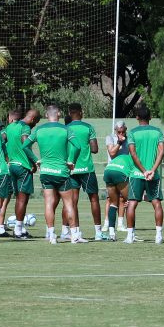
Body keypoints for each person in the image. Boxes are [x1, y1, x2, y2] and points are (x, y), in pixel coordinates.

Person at [21, 105, 80, 244]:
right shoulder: (66, 129)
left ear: (46, 115)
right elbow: (78, 146)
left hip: (46, 172)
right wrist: (72, 161)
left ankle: (52, 235)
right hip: (62, 171)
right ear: (59, 114)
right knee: (69, 204)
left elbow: (25, 146)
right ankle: (74, 236)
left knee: (49, 203)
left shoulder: (38, 129)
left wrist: (36, 160)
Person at [125, 107, 164, 244]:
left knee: (132, 203)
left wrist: (143, 171)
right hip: (153, 175)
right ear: (150, 117)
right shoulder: (158, 132)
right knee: (156, 203)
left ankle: (130, 236)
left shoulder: (132, 133)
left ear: (137, 117)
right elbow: (162, 152)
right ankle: (158, 236)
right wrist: (152, 170)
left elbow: (133, 153)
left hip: (137, 174)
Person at [65, 103, 102, 242]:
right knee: (94, 199)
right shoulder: (88, 127)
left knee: (73, 202)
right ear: (81, 112)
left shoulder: (66, 128)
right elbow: (95, 149)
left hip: (71, 169)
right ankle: (98, 233)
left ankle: (76, 232)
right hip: (87, 169)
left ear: (69, 113)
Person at [5, 109, 40, 239]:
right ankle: (18, 231)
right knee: (22, 199)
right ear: (32, 119)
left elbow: (2, 141)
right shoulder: (25, 127)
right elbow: (25, 143)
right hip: (23, 167)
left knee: (19, 198)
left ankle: (21, 228)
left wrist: (7, 157)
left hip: (12, 166)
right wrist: (35, 162)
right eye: (36, 122)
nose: (35, 125)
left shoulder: (10, 127)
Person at [102, 150, 134, 241]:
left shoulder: (122, 156)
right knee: (130, 202)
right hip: (119, 172)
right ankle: (131, 234)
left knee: (113, 203)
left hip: (108, 171)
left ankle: (112, 234)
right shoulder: (134, 159)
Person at [105, 120, 129, 232]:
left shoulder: (129, 139)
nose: (121, 134)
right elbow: (112, 153)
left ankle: (120, 223)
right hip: (112, 170)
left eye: (123, 131)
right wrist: (119, 142)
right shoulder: (110, 138)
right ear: (115, 130)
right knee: (110, 199)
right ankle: (107, 223)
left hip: (124, 171)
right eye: (119, 132)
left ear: (126, 130)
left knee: (123, 198)